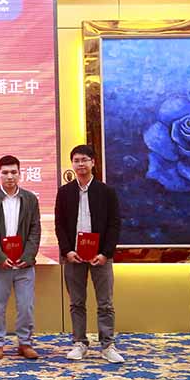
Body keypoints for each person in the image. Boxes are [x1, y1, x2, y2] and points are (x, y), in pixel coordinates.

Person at [55, 144, 124, 364]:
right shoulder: (64, 192)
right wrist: (67, 251)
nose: (80, 164)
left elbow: (114, 224)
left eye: (84, 160)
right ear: (72, 164)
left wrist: (105, 253)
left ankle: (107, 345)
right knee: (76, 303)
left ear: (93, 162)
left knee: (105, 303)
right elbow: (59, 225)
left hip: (100, 256)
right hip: (74, 256)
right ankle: (79, 343)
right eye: (76, 160)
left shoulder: (106, 192)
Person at [0, 155, 41, 360]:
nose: (9, 176)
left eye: (13, 172)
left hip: (25, 264)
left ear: (20, 173)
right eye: (5, 172)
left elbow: (35, 229)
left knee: (26, 306)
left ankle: (25, 343)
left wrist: (28, 256)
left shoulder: (30, 199)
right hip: (1, 265)